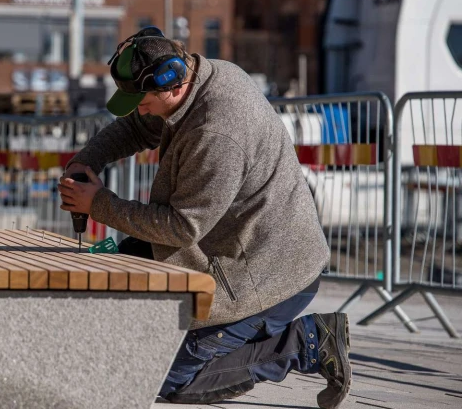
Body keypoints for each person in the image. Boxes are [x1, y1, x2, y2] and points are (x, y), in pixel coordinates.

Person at [57, 27, 351, 408]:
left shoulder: (217, 131)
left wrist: (97, 203)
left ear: (171, 84)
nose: (137, 108)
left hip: (267, 276)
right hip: (228, 249)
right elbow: (136, 125)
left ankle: (308, 341)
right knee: (117, 272)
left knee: (169, 379)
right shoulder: (194, 80)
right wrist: (88, 159)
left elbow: (182, 227)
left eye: (140, 99)